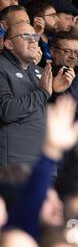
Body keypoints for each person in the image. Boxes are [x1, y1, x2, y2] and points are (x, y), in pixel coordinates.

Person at [0, 22, 52, 167]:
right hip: (15, 163)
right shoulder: (2, 67)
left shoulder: (40, 72)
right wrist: (43, 93)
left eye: (35, 36)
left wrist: (57, 91)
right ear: (9, 44)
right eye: (26, 36)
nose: (33, 40)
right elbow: (6, 111)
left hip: (44, 161)